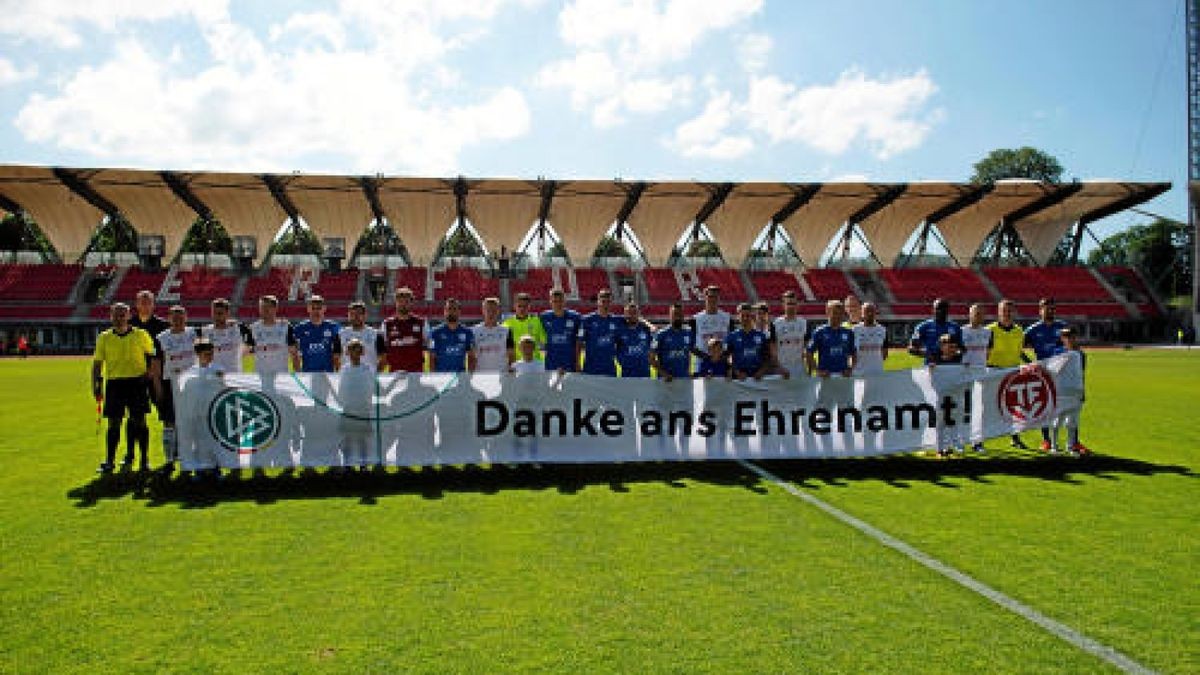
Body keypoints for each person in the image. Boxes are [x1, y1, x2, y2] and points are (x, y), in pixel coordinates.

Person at [91, 303, 159, 473]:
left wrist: (149, 374)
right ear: (111, 317)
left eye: (122, 315)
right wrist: (96, 385)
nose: (119, 318)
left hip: (136, 383)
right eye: (116, 315)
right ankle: (109, 461)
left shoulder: (140, 334)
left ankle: (144, 461)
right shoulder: (104, 337)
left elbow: (152, 356)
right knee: (114, 424)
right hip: (115, 384)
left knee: (140, 422)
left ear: (129, 316)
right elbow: (97, 363)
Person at [128, 289, 170, 467]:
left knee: (166, 415)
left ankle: (171, 457)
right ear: (136, 304)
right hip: (135, 378)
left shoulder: (163, 326)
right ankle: (131, 454)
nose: (145, 305)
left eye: (148, 301)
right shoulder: (129, 325)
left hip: (158, 377)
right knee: (134, 417)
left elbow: (168, 352)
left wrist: (156, 373)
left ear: (153, 304)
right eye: (142, 301)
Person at [154, 305, 198, 472]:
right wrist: (157, 386)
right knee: (169, 422)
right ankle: (169, 460)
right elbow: (156, 364)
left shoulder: (195, 334)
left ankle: (191, 456)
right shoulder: (161, 338)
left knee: (192, 421)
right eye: (174, 317)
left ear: (186, 317)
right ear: (169, 318)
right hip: (170, 383)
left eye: (181, 316)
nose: (178, 320)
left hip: (191, 385)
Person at [1024, 297, 1068, 451]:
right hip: (1043, 373)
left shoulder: (1062, 326)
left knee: (1065, 405)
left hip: (1062, 372)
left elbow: (1070, 345)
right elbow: (1018, 347)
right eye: (1046, 308)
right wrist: (1030, 362)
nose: (1050, 311)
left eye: (1052, 308)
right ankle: (1046, 440)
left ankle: (1071, 440)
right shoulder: (1033, 329)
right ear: (1040, 310)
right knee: (1044, 406)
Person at [986, 299, 1031, 449]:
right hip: (992, 371)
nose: (1007, 313)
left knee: (1013, 408)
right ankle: (978, 440)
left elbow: (1019, 351)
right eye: (1004, 310)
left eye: (1009, 310)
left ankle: (1015, 438)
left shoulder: (1019, 331)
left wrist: (1031, 362)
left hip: (1012, 372)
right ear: (998, 312)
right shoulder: (989, 330)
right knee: (986, 407)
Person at [959, 303, 992, 452]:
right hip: (964, 375)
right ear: (969, 314)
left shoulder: (988, 332)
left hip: (981, 376)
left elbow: (989, 352)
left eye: (980, 314)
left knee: (980, 410)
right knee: (963, 409)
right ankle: (960, 440)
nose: (978, 316)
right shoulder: (961, 331)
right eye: (975, 313)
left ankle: (977, 442)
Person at [1051, 328, 1090, 455]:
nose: (1069, 339)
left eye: (1071, 336)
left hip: (1075, 390)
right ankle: (1054, 445)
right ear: (1062, 339)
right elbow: (1053, 371)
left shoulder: (1081, 354)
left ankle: (1070, 446)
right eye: (1066, 336)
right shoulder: (1058, 353)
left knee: (1072, 421)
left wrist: (1082, 390)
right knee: (1058, 420)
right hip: (1061, 390)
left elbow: (1081, 373)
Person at [928, 334, 966, 457]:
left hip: (955, 395)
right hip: (940, 395)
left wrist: (965, 368)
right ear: (941, 347)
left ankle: (950, 446)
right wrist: (930, 368)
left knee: (953, 421)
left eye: (952, 346)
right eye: (947, 346)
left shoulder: (959, 359)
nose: (950, 349)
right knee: (940, 422)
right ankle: (939, 449)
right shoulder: (935, 359)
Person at [247, 295, 299, 378]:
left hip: (281, 377)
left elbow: (294, 354)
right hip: (260, 377)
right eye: (262, 307)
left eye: (268, 307)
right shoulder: (253, 328)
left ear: (275, 308)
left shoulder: (285, 326)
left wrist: (298, 374)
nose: (264, 310)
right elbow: (245, 352)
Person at [382, 286, 428, 374]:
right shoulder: (386, 324)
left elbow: (426, 345)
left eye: (406, 301)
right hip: (394, 374)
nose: (403, 304)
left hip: (415, 374)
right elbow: (383, 352)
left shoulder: (422, 323)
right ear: (396, 303)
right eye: (400, 301)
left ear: (411, 303)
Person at [201, 298, 251, 374]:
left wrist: (242, 351)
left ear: (227, 313)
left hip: (234, 377)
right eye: (214, 313)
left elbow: (251, 342)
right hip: (214, 376)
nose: (216, 317)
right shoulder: (205, 331)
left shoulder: (237, 328)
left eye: (220, 313)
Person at [807, 300, 856, 378]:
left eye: (840, 314)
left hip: (843, 376)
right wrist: (817, 371)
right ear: (828, 312)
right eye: (835, 313)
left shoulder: (848, 332)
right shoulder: (819, 332)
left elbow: (853, 354)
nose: (838, 316)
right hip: (826, 377)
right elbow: (809, 353)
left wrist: (850, 369)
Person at [293, 295, 342, 373]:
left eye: (319, 308)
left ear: (324, 308)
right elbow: (294, 354)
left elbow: (337, 354)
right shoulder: (299, 328)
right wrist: (298, 373)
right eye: (313, 308)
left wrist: (338, 373)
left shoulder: (333, 327)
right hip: (308, 373)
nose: (316, 311)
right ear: (308, 309)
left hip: (327, 373)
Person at [908, 298, 963, 365]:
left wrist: (953, 354)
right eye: (937, 308)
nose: (940, 311)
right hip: (932, 366)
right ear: (933, 310)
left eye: (943, 309)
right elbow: (911, 348)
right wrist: (928, 354)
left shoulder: (955, 327)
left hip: (952, 366)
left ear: (947, 310)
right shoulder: (923, 327)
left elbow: (962, 348)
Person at [539, 288, 582, 374]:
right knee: (551, 387)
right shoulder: (544, 317)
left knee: (571, 386)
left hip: (570, 362)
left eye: (560, 301)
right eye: (555, 301)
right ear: (550, 301)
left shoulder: (575, 317)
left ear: (564, 301)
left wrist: (578, 362)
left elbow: (578, 341)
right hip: (551, 362)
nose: (558, 304)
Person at [580, 289, 621, 376]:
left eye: (608, 302)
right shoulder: (587, 320)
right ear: (598, 301)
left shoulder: (616, 320)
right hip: (591, 367)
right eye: (603, 301)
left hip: (609, 368)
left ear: (611, 303)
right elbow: (578, 342)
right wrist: (577, 363)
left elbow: (635, 318)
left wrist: (650, 326)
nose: (605, 304)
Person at [724, 303, 770, 381]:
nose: (745, 318)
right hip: (739, 379)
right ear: (738, 317)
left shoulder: (761, 336)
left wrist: (761, 371)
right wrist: (737, 372)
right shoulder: (732, 336)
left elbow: (767, 358)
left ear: (752, 316)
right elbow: (726, 358)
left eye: (748, 316)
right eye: (742, 316)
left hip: (757, 378)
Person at [428, 298, 475, 373]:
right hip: (441, 377)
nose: (451, 312)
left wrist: (469, 376)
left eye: (454, 309)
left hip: (460, 377)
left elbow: (471, 356)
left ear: (459, 312)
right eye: (449, 309)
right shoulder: (435, 332)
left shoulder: (467, 332)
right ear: (444, 311)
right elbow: (432, 358)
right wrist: (433, 377)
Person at [772, 291, 811, 378]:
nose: (791, 306)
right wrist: (779, 368)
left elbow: (807, 349)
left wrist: (810, 369)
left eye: (793, 303)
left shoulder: (804, 323)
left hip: (799, 369)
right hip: (781, 369)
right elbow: (773, 352)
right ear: (783, 305)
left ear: (797, 305)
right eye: (788, 303)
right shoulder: (775, 324)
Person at [690, 285, 735, 361]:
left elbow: (733, 342)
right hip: (702, 361)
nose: (713, 299)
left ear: (719, 298)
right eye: (710, 296)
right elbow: (690, 345)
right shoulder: (696, 319)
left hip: (722, 361)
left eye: (716, 297)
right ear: (705, 297)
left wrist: (724, 356)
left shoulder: (728, 318)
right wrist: (705, 357)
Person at [651, 303, 694, 381]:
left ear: (683, 316)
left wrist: (689, 371)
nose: (678, 317)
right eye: (675, 314)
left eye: (680, 314)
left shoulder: (689, 332)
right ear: (670, 316)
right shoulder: (660, 334)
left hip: (684, 379)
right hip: (666, 381)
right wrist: (664, 374)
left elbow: (688, 353)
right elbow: (651, 358)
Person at [339, 300, 387, 371]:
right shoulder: (341, 334)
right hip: (348, 376)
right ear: (348, 316)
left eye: (359, 314)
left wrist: (375, 375)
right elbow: (336, 358)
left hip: (368, 377)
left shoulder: (376, 334)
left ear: (365, 315)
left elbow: (383, 358)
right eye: (352, 314)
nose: (356, 316)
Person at [473, 297, 514, 373]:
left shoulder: (507, 331)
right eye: (488, 310)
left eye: (494, 310)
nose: (491, 313)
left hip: (502, 376)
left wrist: (511, 373)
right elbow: (472, 356)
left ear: (498, 311)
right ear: (483, 311)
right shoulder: (474, 331)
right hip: (481, 376)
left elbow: (511, 355)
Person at [614, 301, 654, 378]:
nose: (631, 315)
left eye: (634, 312)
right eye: (629, 313)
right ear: (625, 314)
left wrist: (645, 322)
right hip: (627, 374)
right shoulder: (620, 331)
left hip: (644, 373)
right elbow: (615, 349)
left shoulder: (645, 329)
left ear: (638, 314)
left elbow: (655, 333)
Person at [503, 292, 547, 359]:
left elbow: (546, 341)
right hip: (516, 365)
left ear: (529, 306)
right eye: (519, 306)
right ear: (514, 306)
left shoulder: (536, 321)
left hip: (535, 363)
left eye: (525, 306)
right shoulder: (507, 324)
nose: (522, 309)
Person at [852, 301, 888, 376]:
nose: (870, 314)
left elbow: (884, 353)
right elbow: (852, 352)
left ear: (875, 313)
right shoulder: (855, 330)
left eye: (872, 311)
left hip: (877, 372)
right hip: (859, 373)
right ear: (862, 313)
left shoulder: (882, 330)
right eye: (867, 311)